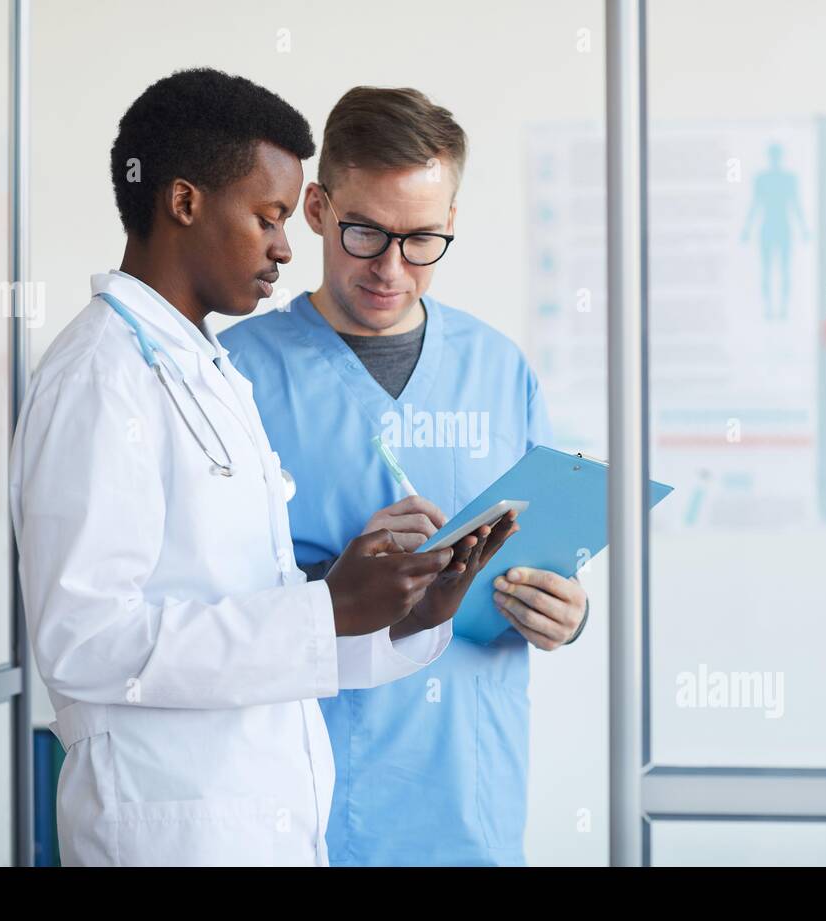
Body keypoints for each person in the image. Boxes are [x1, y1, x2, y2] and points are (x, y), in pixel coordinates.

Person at [9, 69, 514, 866]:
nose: (286, 246)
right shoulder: (100, 377)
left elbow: (265, 634)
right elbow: (84, 639)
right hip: (167, 830)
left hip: (257, 825)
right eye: (270, 216)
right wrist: (325, 610)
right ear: (184, 203)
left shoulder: (206, 370)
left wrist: (408, 614)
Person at [220, 87, 586, 866]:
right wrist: (338, 582)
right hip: (307, 808)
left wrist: (565, 613)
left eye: (421, 240)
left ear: (451, 222)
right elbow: (197, 612)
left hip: (471, 807)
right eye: (365, 233)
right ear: (316, 209)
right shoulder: (237, 376)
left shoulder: (499, 369)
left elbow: (546, 555)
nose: (392, 269)